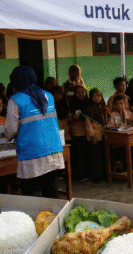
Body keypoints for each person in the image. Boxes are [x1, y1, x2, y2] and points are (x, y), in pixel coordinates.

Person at [5, 66, 64, 198]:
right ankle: (54, 217)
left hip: (31, 153)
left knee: (32, 194)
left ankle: (34, 218)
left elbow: (11, 130)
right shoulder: (48, 96)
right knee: (51, 190)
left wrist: (6, 137)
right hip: (53, 149)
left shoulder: (15, 100)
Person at [86, 88, 109, 183]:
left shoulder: (103, 106)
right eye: (94, 96)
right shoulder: (89, 108)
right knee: (95, 157)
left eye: (98, 96)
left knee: (103, 156)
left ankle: (104, 175)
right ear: (90, 97)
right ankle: (96, 177)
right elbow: (88, 124)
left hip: (103, 134)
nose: (97, 98)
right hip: (94, 135)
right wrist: (92, 136)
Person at [67, 85, 90, 180]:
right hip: (77, 133)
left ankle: (86, 173)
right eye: (78, 92)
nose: (81, 94)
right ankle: (79, 175)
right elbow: (69, 119)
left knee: (85, 154)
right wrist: (74, 118)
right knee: (79, 155)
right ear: (74, 94)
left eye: (83, 92)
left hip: (88, 132)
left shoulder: (88, 104)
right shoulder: (72, 105)